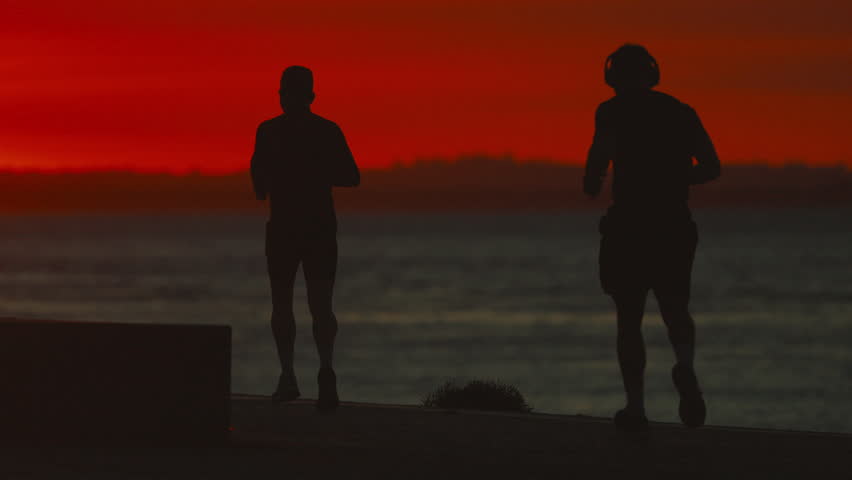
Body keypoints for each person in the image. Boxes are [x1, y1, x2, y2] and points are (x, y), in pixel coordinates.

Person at [584, 44, 720, 431]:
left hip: (628, 225)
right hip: (674, 225)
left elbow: (600, 156)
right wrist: (677, 179)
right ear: (651, 72)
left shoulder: (610, 111)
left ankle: (636, 409)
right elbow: (712, 166)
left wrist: (592, 180)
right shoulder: (681, 111)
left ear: (613, 75)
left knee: (629, 319)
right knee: (676, 308)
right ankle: (685, 364)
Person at [250, 66, 360, 411]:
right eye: (285, 94)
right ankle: (320, 371)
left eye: (288, 94)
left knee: (288, 304)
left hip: (291, 229)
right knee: (318, 305)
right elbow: (350, 176)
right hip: (315, 229)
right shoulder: (325, 131)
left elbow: (258, 185)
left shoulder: (270, 132)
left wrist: (293, 173)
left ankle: (291, 375)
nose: (287, 100)